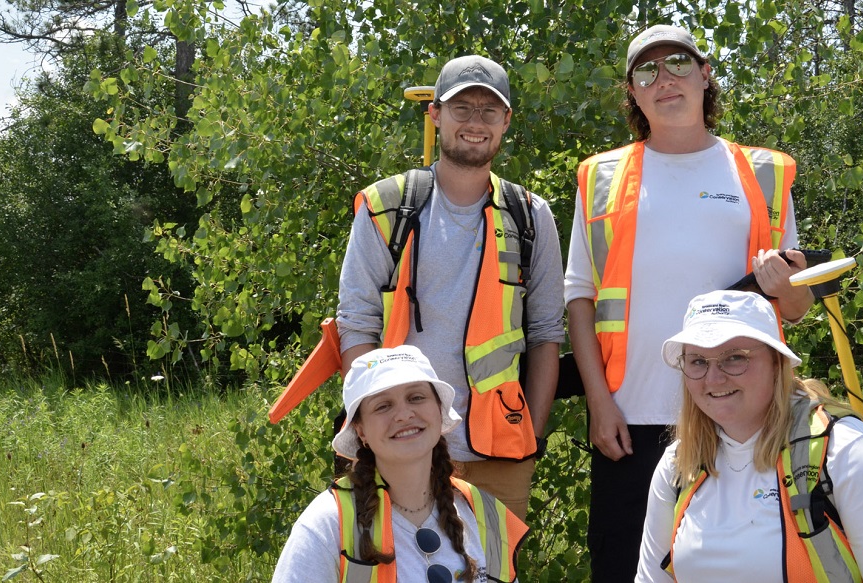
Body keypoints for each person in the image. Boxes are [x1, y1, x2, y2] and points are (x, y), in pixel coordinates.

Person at [564, 24, 817, 579]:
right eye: (646, 71)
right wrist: (600, 405)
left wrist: (783, 285)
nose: (664, 79)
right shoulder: (601, 177)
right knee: (624, 568)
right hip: (630, 420)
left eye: (678, 63)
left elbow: (795, 308)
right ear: (632, 93)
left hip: (743, 416)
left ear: (705, 75)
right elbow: (579, 298)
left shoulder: (763, 174)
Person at [337, 54, 565, 519]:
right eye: (462, 108)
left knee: (493, 561)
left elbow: (546, 334)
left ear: (506, 121)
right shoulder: (386, 206)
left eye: (489, 110)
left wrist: (533, 433)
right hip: (399, 447)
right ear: (436, 114)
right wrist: (373, 433)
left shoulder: (531, 216)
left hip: (500, 453)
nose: (475, 122)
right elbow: (356, 324)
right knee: (389, 559)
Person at [635, 289, 863, 582]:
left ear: (777, 362)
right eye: (698, 362)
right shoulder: (679, 465)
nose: (714, 378)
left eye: (735, 357)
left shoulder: (848, 454)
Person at [273, 345, 528, 583]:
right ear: (361, 431)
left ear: (439, 410)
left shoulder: (484, 512)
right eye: (383, 406)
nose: (404, 415)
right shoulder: (327, 524)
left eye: (416, 397)